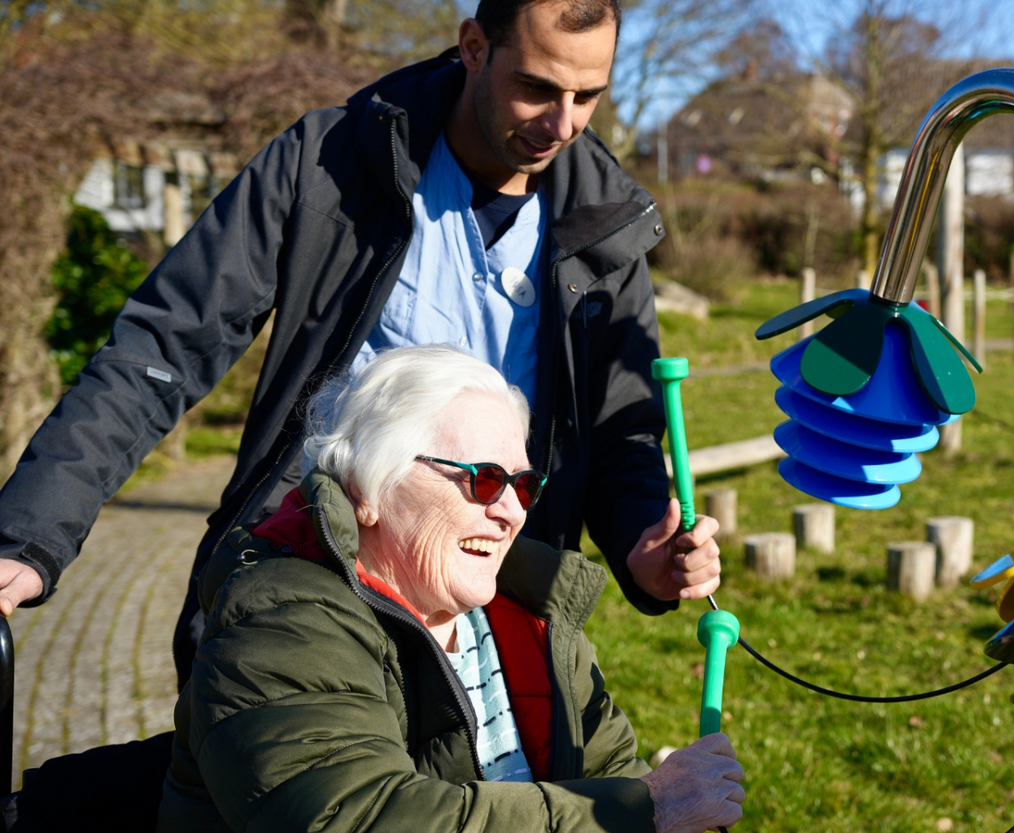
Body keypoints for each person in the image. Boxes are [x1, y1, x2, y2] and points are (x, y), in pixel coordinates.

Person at [0, 0, 718, 688]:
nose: (562, 123)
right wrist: (29, 535)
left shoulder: (608, 226)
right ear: (474, 48)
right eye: (536, 86)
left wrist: (640, 547)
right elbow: (161, 347)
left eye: (587, 95)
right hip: (310, 593)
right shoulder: (330, 165)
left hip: (499, 613)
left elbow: (622, 433)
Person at [156, 345, 743, 832]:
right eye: (485, 480)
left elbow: (616, 771)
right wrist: (650, 808)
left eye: (523, 484)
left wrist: (668, 808)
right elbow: (357, 819)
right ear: (368, 488)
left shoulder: (535, 616)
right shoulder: (278, 624)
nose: (512, 511)